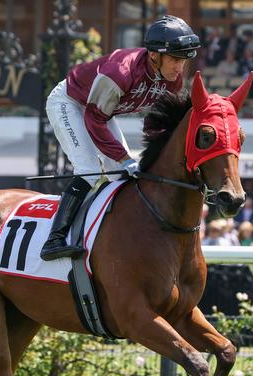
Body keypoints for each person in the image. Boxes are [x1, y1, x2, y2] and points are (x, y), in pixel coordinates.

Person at [40, 15, 200, 260]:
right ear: (154, 55)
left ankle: (110, 235)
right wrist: (125, 158)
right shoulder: (120, 72)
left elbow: (158, 123)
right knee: (89, 169)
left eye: (184, 60)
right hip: (70, 103)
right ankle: (55, 239)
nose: (180, 68)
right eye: (175, 60)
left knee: (121, 174)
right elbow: (94, 120)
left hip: (101, 111)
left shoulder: (171, 79)